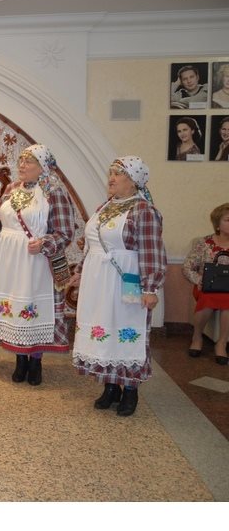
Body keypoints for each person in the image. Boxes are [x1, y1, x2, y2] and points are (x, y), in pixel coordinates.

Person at [71, 157, 166, 416]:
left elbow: (152, 251)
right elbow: (91, 244)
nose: (111, 178)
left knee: (126, 329)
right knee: (105, 329)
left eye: (118, 174)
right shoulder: (105, 207)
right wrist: (80, 272)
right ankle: (111, 385)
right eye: (111, 173)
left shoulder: (144, 210)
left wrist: (150, 288)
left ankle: (130, 390)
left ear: (134, 181)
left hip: (127, 281)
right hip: (97, 282)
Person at [0, 144, 75, 386]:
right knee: (15, 305)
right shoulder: (11, 188)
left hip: (36, 261)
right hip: (9, 259)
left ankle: (36, 361)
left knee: (32, 305)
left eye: (29, 161)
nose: (22, 165)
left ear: (43, 166)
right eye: (21, 161)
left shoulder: (54, 192)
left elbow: (65, 232)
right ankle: (20, 359)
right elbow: (0, 220)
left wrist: (44, 243)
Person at [182, 202, 229, 365]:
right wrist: (199, 280)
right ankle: (197, 336)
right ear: (217, 224)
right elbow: (187, 267)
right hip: (206, 286)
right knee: (208, 300)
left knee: (228, 302)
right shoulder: (204, 243)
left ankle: (221, 343)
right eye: (228, 220)